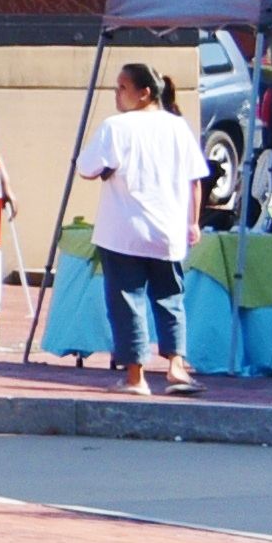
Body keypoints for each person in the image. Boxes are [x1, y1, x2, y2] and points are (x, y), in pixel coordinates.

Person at [83, 56, 200, 393]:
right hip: (168, 230)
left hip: (123, 231)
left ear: (144, 93)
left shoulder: (115, 127)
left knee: (127, 301)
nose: (116, 94)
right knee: (170, 297)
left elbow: (87, 168)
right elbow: (196, 179)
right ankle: (176, 366)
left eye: (122, 87)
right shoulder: (179, 126)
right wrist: (192, 221)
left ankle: (136, 376)